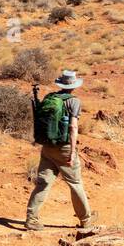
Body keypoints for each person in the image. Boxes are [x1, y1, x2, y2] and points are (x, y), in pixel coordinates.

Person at [24, 69, 95, 231]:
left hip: (47, 147)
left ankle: (31, 219)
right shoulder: (74, 101)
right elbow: (73, 127)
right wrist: (71, 152)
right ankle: (86, 220)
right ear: (74, 86)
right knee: (75, 183)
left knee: (43, 183)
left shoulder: (51, 97)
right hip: (64, 148)